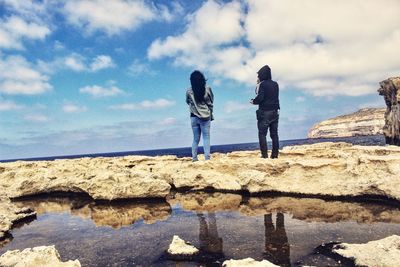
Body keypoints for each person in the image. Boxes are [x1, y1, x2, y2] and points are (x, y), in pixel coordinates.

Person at [250, 65, 280, 158]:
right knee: (274, 134)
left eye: (258, 75)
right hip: (275, 111)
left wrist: (253, 101)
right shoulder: (276, 84)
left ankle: (264, 155)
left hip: (264, 112)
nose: (258, 77)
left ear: (262, 75)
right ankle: (274, 155)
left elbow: (260, 98)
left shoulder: (262, 84)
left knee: (262, 134)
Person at [186, 70, 214, 161]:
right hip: (205, 116)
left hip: (193, 116)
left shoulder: (189, 90)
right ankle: (207, 158)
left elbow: (187, 101)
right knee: (206, 137)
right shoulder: (207, 89)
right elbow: (210, 102)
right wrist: (211, 114)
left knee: (195, 139)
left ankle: (194, 158)